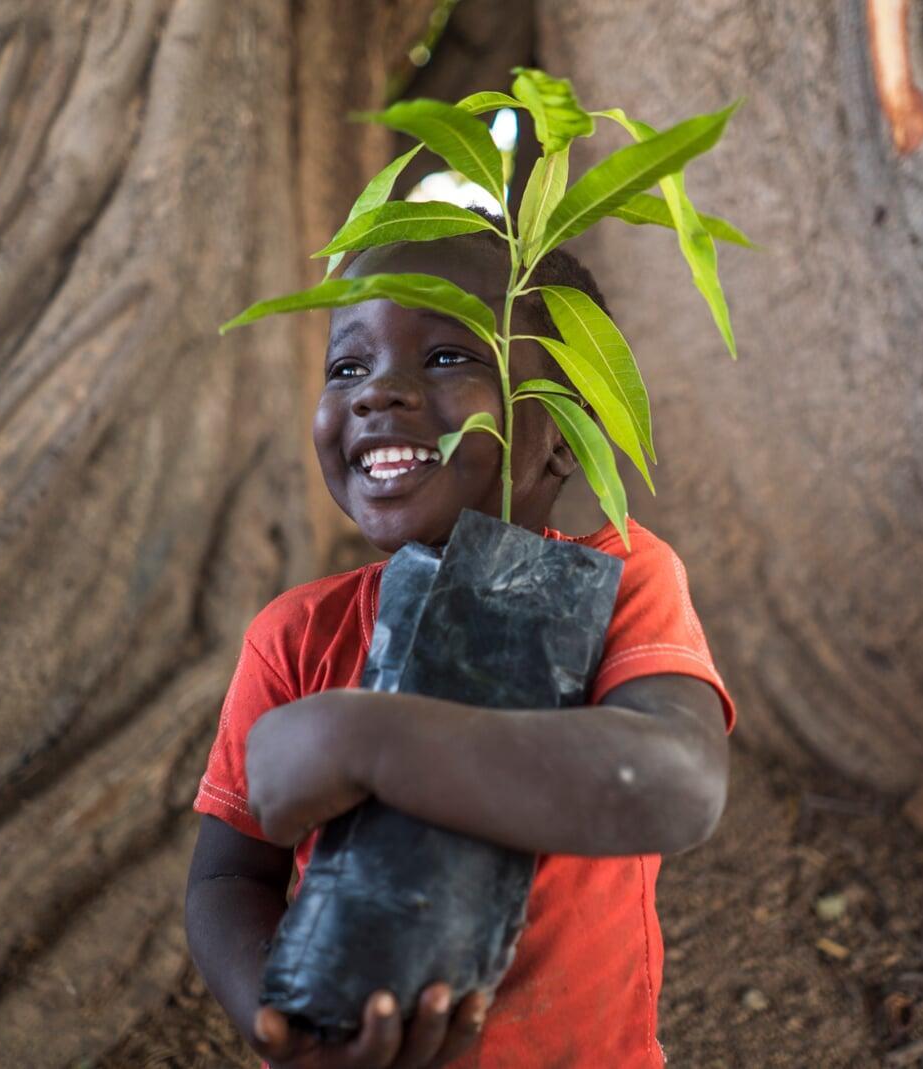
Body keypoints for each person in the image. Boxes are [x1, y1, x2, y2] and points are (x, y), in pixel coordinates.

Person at [185, 224, 735, 1069]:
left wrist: (368, 742)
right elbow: (230, 879)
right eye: (348, 366)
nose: (378, 392)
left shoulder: (620, 579)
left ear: (563, 426)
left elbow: (678, 780)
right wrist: (286, 1026)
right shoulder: (296, 635)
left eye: (447, 357)